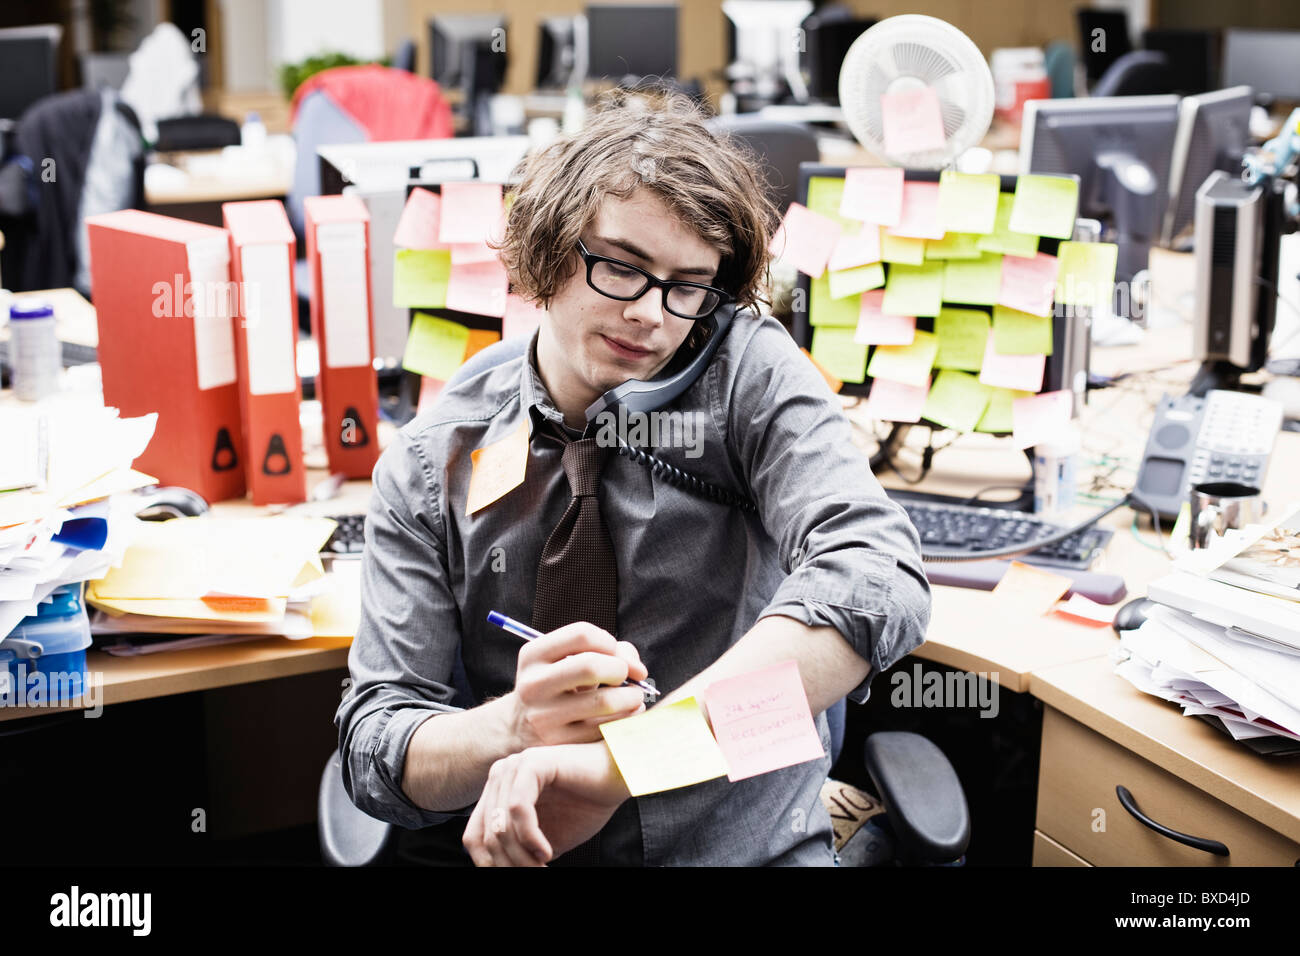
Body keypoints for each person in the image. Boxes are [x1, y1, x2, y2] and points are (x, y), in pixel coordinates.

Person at [335, 88, 930, 866]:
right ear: (548, 249)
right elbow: (374, 752)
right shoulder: (433, 459)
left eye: (688, 286)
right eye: (622, 267)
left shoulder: (744, 373)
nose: (653, 314)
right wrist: (515, 723)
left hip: (747, 848)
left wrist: (630, 761)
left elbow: (878, 577)